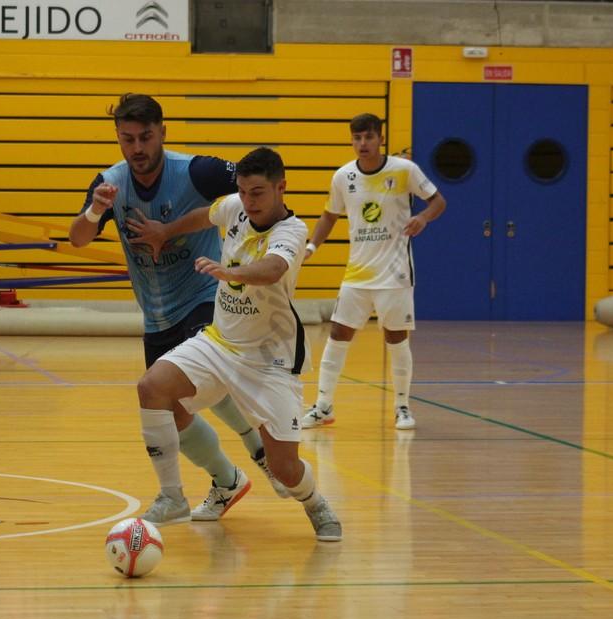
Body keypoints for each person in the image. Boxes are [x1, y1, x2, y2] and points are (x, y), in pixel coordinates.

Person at [67, 94, 286, 525]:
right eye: (127, 139)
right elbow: (77, 238)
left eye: (146, 137)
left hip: (206, 299)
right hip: (156, 313)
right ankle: (227, 479)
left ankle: (259, 452)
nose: (137, 148)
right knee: (173, 411)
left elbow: (251, 194)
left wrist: (254, 250)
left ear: (162, 132)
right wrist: (95, 209)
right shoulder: (110, 183)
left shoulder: (197, 171)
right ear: (118, 138)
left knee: (203, 379)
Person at [130, 146, 342, 540]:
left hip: (268, 359)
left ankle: (315, 502)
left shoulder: (292, 232)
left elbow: (273, 269)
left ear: (281, 188)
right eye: (243, 192)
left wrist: (229, 272)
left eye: (258, 193)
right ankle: (172, 496)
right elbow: (207, 215)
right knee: (152, 388)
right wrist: (165, 231)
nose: (248, 201)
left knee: (285, 469)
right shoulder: (236, 207)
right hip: (219, 342)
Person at [301, 113, 446, 430]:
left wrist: (423, 219)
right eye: (356, 138)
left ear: (381, 139)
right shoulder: (343, 177)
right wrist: (311, 247)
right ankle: (323, 406)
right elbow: (329, 216)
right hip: (357, 274)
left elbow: (438, 201)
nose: (362, 143)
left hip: (394, 275)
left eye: (368, 137)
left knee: (395, 338)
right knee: (338, 334)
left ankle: (402, 407)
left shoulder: (404, 170)